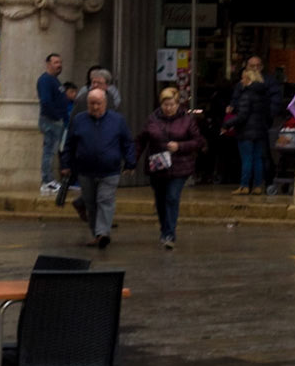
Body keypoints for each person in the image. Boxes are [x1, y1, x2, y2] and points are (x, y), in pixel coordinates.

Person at [62, 83, 136, 250]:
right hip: (85, 170)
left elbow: (127, 143)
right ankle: (97, 233)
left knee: (105, 200)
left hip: (109, 170)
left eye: (98, 103)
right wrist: (66, 164)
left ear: (105, 103)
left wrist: (130, 162)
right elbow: (69, 145)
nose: (95, 107)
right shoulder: (79, 120)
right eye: (92, 104)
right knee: (90, 203)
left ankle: (103, 233)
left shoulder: (117, 121)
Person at [134, 84, 206, 249]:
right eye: (165, 105)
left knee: (172, 197)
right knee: (160, 199)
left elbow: (198, 141)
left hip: (180, 166)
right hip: (158, 165)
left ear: (177, 104)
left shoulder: (187, 120)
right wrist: (132, 160)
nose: (168, 108)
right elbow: (141, 140)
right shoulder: (152, 119)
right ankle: (164, 228)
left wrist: (180, 146)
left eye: (172, 104)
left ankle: (170, 234)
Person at [228, 56, 281, 196]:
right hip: (261, 129)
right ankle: (258, 185)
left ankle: (244, 185)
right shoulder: (263, 91)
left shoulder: (246, 93)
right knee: (258, 158)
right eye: (252, 65)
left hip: (247, 130)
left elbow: (242, 114)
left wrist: (227, 123)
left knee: (247, 158)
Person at [36, 52, 70, 195]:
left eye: (60, 62)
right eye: (56, 62)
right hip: (50, 121)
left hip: (56, 121)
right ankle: (47, 182)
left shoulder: (54, 80)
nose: (59, 65)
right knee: (49, 152)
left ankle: (50, 180)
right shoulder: (46, 80)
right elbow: (46, 101)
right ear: (48, 64)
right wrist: (56, 117)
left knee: (52, 151)